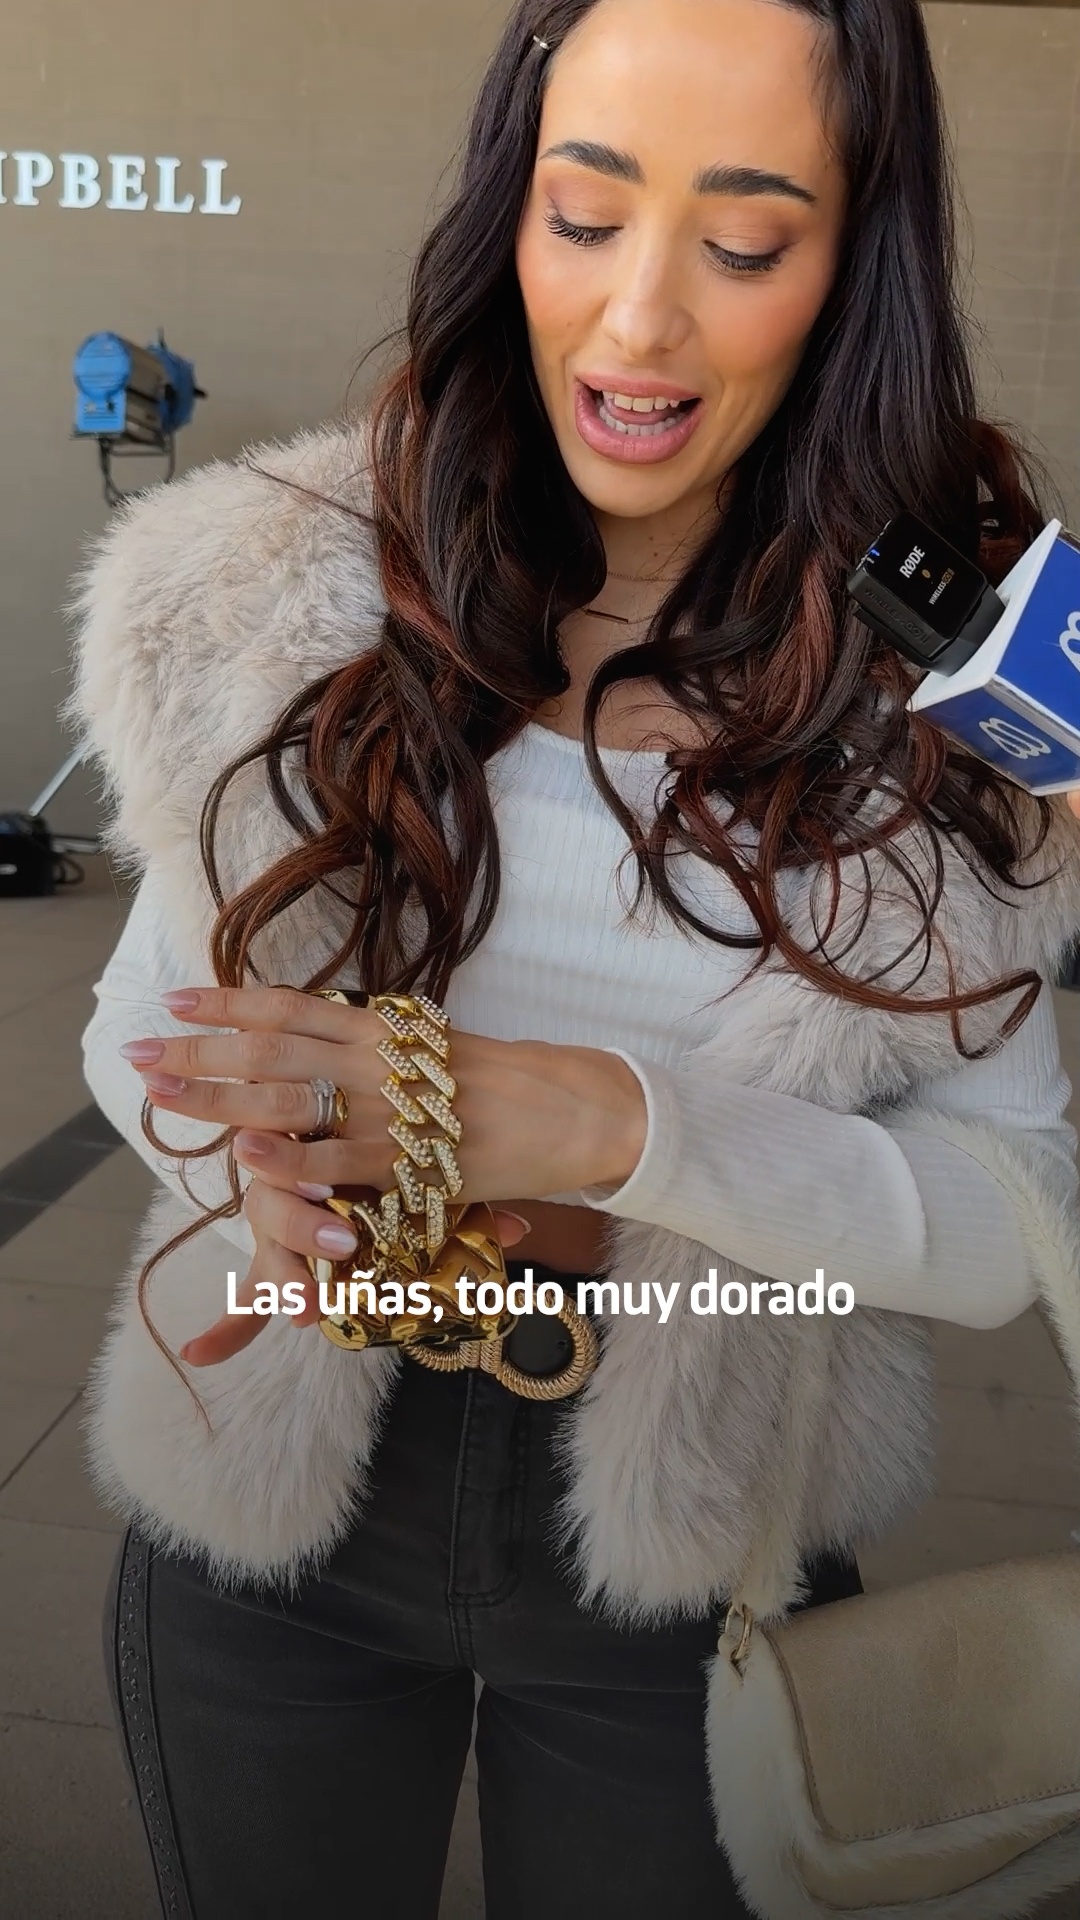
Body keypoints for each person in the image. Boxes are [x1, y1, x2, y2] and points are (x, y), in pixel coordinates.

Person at [69, 1, 1080, 1915]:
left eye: (747, 241)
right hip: (265, 1508)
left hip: (697, 1549)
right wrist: (257, 1168)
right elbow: (140, 1027)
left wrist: (608, 1129)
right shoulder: (282, 595)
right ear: (507, 213)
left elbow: (1004, 1218)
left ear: (856, 268)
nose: (637, 320)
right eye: (586, 214)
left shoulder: (957, 710)